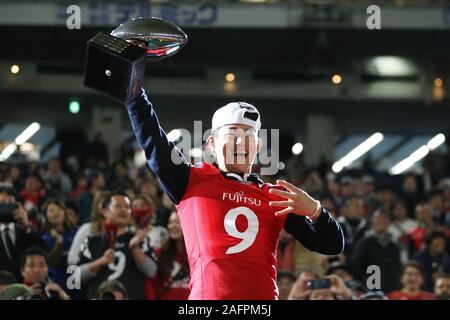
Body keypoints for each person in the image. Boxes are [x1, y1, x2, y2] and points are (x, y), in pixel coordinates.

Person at [124, 88, 344, 299]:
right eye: (232, 133)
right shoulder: (190, 180)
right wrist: (135, 98)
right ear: (211, 143)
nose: (241, 142)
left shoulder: (275, 197)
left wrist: (316, 211)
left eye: (249, 135)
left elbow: (332, 245)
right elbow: (154, 141)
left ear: (258, 145)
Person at [77, 191, 157, 299]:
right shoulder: (91, 241)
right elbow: (77, 276)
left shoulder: (139, 240)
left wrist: (135, 249)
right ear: (105, 212)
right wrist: (101, 261)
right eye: (118, 206)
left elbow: (152, 272)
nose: (124, 210)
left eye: (127, 207)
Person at [349, 208, 402, 293]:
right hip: (371, 292)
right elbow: (355, 267)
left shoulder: (394, 246)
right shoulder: (363, 243)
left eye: (384, 218)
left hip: (392, 291)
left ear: (389, 223)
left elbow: (398, 270)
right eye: (378, 218)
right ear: (372, 223)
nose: (381, 221)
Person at [0, 185, 45, 281]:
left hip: (26, 287)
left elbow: (43, 249)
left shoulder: (26, 231)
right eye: (2, 203)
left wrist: (27, 224)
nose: (6, 207)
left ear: (17, 206)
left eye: (10, 203)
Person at [145, 211, 190, 300]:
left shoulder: (197, 255)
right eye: (171, 222)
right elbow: (151, 284)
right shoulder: (159, 253)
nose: (172, 226)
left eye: (177, 222)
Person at [41, 199, 78, 293]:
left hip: (76, 278)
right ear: (46, 216)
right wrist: (58, 243)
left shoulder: (76, 231)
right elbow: (51, 262)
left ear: (64, 212)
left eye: (59, 209)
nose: (55, 213)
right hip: (57, 281)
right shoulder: (44, 238)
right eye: (51, 210)